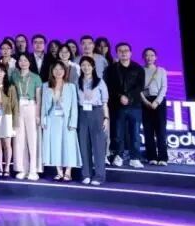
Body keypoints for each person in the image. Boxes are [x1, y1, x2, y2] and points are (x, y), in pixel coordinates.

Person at [104, 42, 145, 168]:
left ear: (130, 53)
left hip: (134, 106)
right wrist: (119, 96)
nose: (123, 53)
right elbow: (108, 87)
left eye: (126, 50)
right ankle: (118, 156)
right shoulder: (111, 69)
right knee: (117, 133)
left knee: (135, 133)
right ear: (117, 53)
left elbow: (140, 87)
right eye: (120, 51)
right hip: (117, 106)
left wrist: (129, 97)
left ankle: (135, 158)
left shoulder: (138, 68)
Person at [41, 62, 81, 181]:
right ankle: (59, 171)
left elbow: (74, 106)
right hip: (52, 119)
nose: (58, 72)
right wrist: (43, 120)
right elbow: (43, 105)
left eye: (61, 69)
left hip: (67, 120)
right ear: (52, 71)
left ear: (65, 71)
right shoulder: (46, 86)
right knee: (55, 145)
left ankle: (68, 171)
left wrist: (73, 123)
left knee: (69, 145)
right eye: (55, 69)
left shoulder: (71, 86)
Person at [76, 56, 109, 185]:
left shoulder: (100, 82)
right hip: (82, 113)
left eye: (88, 65)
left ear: (93, 67)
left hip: (97, 112)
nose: (86, 67)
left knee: (98, 146)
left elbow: (105, 102)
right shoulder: (77, 82)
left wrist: (106, 118)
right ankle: (86, 174)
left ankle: (99, 176)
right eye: (83, 65)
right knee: (84, 145)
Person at [11, 53, 42, 181]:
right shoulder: (14, 76)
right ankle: (23, 169)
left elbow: (39, 98)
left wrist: (38, 114)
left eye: (25, 60)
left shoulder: (35, 77)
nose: (23, 63)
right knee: (19, 139)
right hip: (18, 107)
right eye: (21, 60)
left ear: (30, 62)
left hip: (31, 106)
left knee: (33, 139)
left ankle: (33, 170)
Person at [140, 47, 169, 166]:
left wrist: (157, 101)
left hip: (159, 102)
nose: (149, 57)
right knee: (148, 130)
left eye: (152, 55)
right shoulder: (140, 71)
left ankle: (163, 157)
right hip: (145, 101)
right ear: (143, 57)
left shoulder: (161, 70)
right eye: (147, 55)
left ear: (156, 57)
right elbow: (138, 89)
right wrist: (145, 101)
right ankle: (151, 157)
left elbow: (164, 87)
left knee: (161, 130)